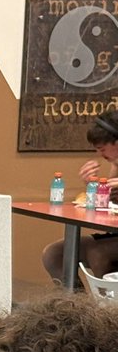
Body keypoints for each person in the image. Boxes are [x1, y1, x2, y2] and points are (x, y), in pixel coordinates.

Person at [41, 112, 118, 282]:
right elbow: (111, 204)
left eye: (102, 149)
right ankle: (76, 306)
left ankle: (105, 309)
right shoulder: (116, 164)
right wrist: (93, 186)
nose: (100, 155)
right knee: (54, 254)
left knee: (97, 253)